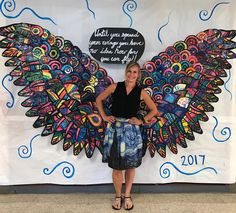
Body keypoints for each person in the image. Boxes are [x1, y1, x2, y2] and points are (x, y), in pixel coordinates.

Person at [96, 61, 157, 210]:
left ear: (138, 74)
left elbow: (154, 110)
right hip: (115, 130)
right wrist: (104, 116)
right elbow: (99, 99)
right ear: (125, 72)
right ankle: (118, 195)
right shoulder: (115, 87)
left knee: (130, 166)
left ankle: (127, 195)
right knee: (117, 167)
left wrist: (141, 121)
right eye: (129, 71)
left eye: (135, 72)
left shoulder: (141, 92)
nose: (131, 74)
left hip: (131, 132)